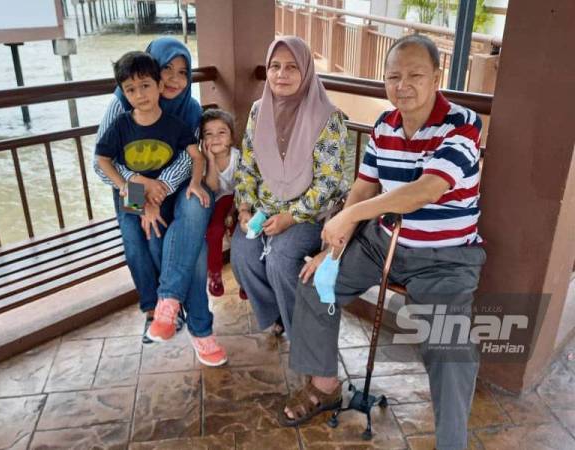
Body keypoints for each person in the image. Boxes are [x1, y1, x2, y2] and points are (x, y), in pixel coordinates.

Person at [281, 34, 486, 450]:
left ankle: (452, 442)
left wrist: (351, 215)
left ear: (437, 76)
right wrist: (332, 246)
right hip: (384, 240)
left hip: (446, 257)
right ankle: (324, 387)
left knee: (449, 347)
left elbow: (426, 190)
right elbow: (363, 187)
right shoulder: (384, 125)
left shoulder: (463, 124)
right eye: (394, 76)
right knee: (314, 282)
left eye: (415, 75)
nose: (402, 85)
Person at [94, 49, 227, 367]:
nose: (174, 79)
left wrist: (161, 188)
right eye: (167, 69)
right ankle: (159, 310)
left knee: (190, 226)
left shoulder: (189, 110)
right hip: (130, 189)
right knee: (140, 244)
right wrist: (139, 189)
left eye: (183, 72)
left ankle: (184, 315)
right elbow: (102, 164)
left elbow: (189, 157)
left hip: (176, 187)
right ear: (155, 70)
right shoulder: (121, 107)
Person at [231, 36, 347, 336]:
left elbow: (328, 182)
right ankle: (278, 315)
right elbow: (246, 165)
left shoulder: (327, 118)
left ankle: (304, 336)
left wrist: (291, 218)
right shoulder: (259, 111)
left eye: (292, 67)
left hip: (309, 213)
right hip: (263, 210)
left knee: (281, 258)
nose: (281, 74)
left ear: (306, 71)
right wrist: (244, 208)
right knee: (242, 254)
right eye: (275, 66)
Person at [201, 108, 245, 298]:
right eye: (208, 134)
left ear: (231, 138)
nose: (215, 138)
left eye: (222, 132)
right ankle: (215, 274)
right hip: (216, 204)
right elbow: (211, 187)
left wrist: (233, 212)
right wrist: (210, 160)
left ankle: (245, 279)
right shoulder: (202, 161)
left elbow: (243, 189)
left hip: (239, 202)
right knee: (214, 232)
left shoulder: (238, 157)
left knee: (241, 234)